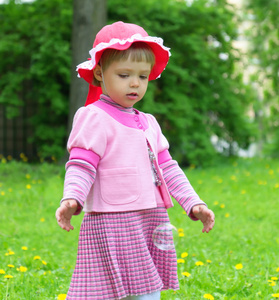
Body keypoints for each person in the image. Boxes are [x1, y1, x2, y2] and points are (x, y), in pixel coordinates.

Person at [55, 21, 215, 300]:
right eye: (124, 74)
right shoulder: (93, 116)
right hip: (112, 222)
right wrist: (72, 198)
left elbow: (168, 168)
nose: (134, 83)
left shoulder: (149, 122)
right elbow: (81, 165)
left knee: (148, 288)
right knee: (108, 290)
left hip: (150, 218)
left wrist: (193, 202)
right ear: (100, 74)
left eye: (142, 76)